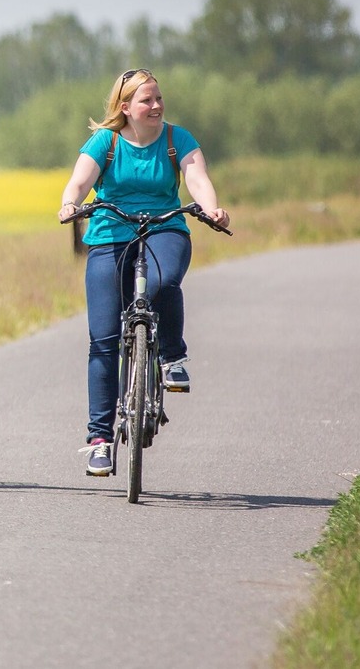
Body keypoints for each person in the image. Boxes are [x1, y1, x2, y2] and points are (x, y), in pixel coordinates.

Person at [55, 69, 229, 477]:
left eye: (158, 98)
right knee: (103, 340)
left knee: (163, 281)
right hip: (110, 232)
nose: (156, 106)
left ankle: (171, 355)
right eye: (146, 100)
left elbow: (197, 178)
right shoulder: (107, 142)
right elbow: (79, 183)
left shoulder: (176, 139)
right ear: (125, 108)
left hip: (165, 227)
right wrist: (69, 204)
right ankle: (99, 440)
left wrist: (211, 207)